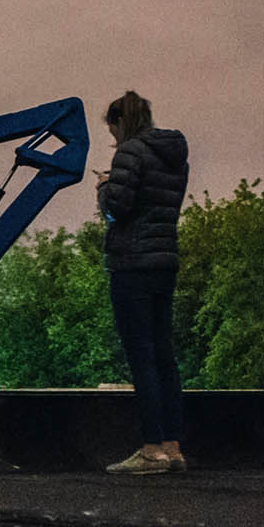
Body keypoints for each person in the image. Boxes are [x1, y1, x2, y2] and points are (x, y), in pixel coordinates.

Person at [95, 91, 189, 475]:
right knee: (165, 355)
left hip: (132, 264)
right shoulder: (175, 156)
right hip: (165, 262)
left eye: (112, 129)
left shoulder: (129, 153)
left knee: (142, 356)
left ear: (120, 122)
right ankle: (173, 446)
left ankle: (151, 449)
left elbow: (118, 208)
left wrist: (104, 187)